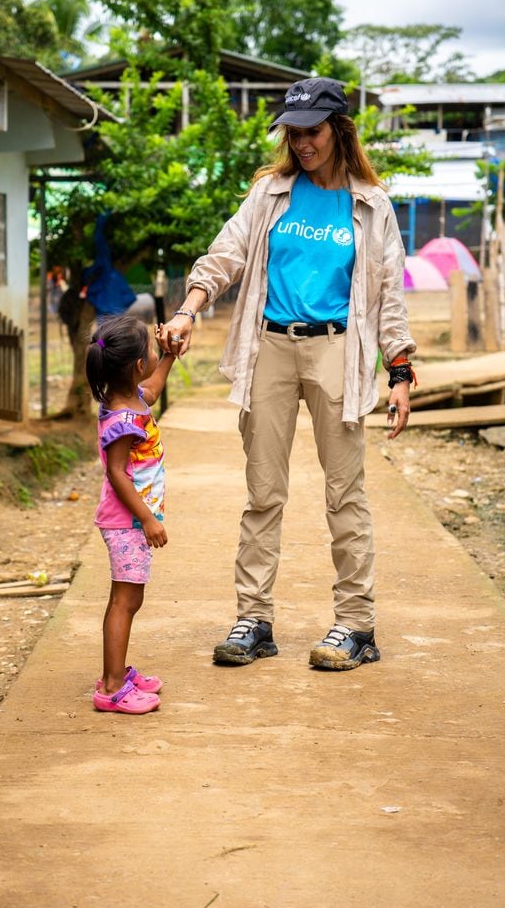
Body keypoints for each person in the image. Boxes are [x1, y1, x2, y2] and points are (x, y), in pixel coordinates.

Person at [156, 77, 417, 672]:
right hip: (270, 347)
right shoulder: (270, 194)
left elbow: (387, 295)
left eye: (312, 131)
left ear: (339, 130)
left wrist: (399, 369)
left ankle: (355, 625)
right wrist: (188, 309)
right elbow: (225, 254)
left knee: (344, 493)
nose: (302, 143)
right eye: (294, 133)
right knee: (263, 492)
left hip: (337, 351)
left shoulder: (371, 206)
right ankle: (255, 619)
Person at [86, 313, 176, 713]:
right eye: (152, 351)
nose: (154, 356)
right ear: (138, 364)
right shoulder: (123, 420)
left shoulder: (131, 399)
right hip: (127, 523)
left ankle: (117, 671)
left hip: (132, 521)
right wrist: (149, 519)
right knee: (125, 600)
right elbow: (117, 474)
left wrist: (169, 356)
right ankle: (111, 687)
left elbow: (153, 390)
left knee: (128, 598)